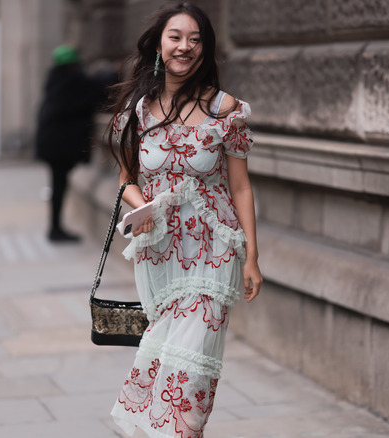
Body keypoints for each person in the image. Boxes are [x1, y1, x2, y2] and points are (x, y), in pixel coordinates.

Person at [107, 2, 262, 436]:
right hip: (160, 253)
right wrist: (143, 207)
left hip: (215, 250)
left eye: (195, 40)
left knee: (193, 362)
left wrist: (251, 256)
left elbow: (242, 187)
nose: (185, 47)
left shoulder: (225, 109)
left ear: (205, 49)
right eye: (176, 37)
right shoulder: (136, 111)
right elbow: (125, 180)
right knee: (164, 352)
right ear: (159, 44)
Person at [35, 45, 100, 242]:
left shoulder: (55, 81)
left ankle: (55, 227)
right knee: (59, 186)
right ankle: (55, 229)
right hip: (59, 146)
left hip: (50, 143)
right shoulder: (74, 80)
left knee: (57, 185)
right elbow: (94, 95)